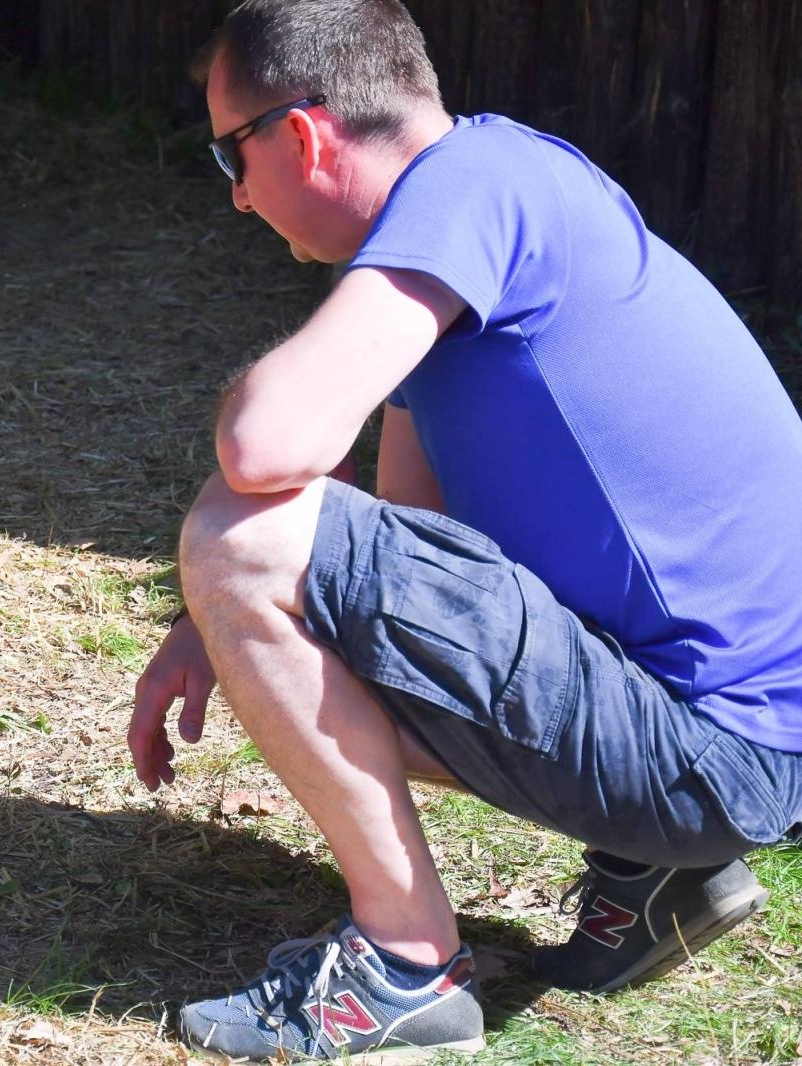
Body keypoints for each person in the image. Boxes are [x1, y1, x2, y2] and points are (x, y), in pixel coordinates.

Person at [126, 0, 802, 1059]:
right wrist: (211, 625)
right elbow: (406, 538)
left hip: (716, 751)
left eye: (232, 157)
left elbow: (262, 447)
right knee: (261, 566)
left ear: (300, 135)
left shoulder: (469, 190)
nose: (239, 197)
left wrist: (228, 582)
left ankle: (405, 967)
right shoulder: (493, 196)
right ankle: (654, 872)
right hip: (729, 734)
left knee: (235, 534)